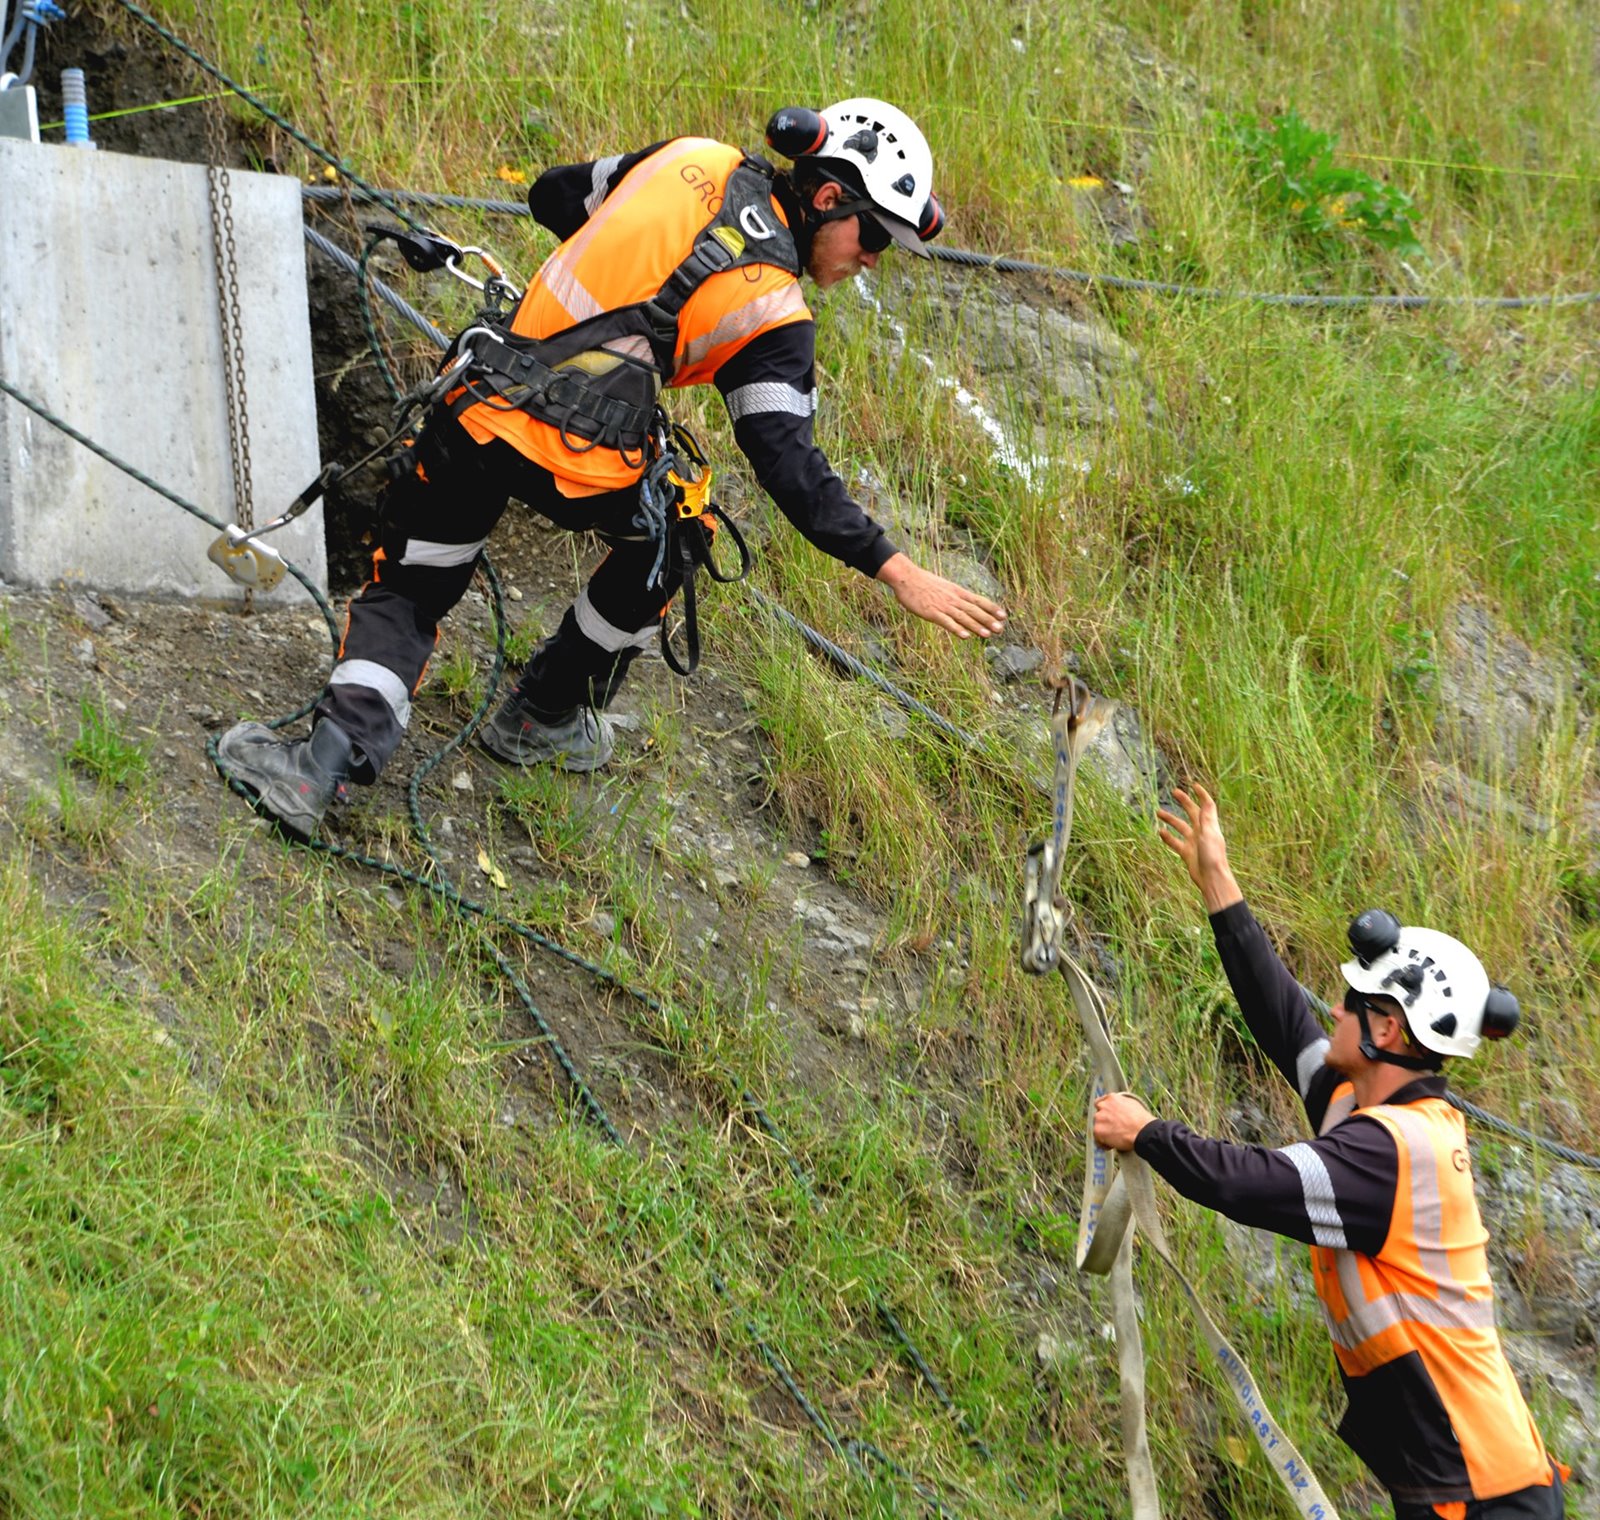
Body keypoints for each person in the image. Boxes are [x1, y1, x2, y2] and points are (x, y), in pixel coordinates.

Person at [217, 98, 1006, 840]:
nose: (872, 260)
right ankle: (543, 715)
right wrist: (897, 570)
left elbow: (553, 195)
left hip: (482, 410)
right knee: (677, 536)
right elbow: (791, 468)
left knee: (412, 587)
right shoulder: (776, 315)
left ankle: (320, 769)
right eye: (874, 239)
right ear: (829, 198)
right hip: (590, 467)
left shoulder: (692, 157)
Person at [1093, 785, 1566, 1520]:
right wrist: (1216, 880)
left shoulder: (1392, 1152)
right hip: (1468, 1485)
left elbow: (1251, 1183)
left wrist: (1147, 1132)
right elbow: (1284, 1021)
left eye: (1354, 1001)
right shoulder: (1372, 1110)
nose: (1335, 1009)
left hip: (1483, 1498)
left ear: (1390, 1031)